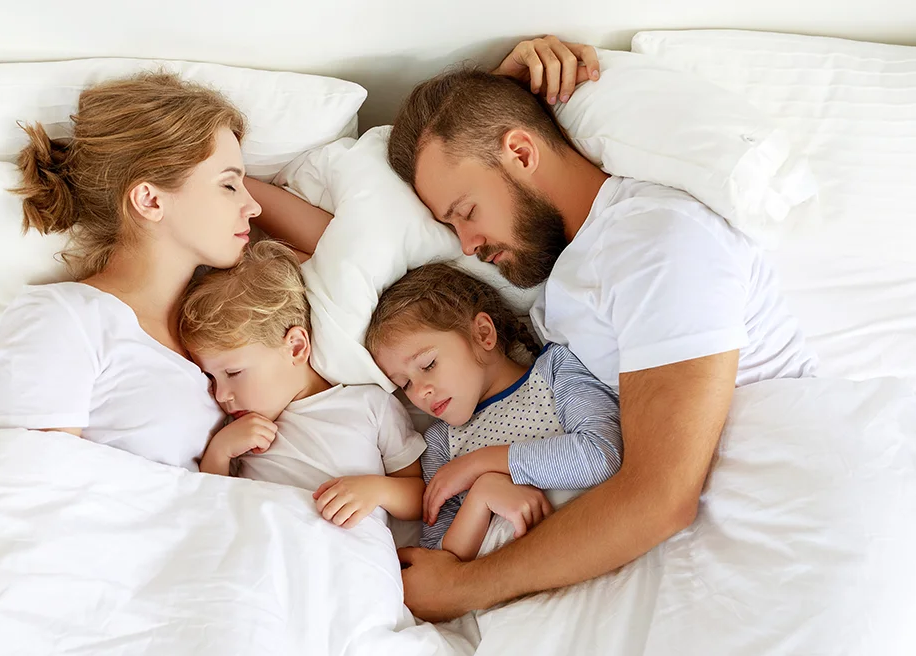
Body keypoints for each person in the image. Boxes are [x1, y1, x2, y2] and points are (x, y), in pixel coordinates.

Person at [386, 36, 818, 619]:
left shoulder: (656, 243)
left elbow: (660, 499)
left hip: (784, 521)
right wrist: (490, 91)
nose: (468, 244)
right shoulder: (574, 264)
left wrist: (463, 587)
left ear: (520, 152)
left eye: (465, 213)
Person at [0, 71, 331, 469]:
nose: (253, 207)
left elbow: (333, 247)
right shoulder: (63, 317)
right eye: (229, 186)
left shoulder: (223, 315)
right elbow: (29, 493)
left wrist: (224, 172)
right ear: (149, 200)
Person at [365, 262, 622, 562]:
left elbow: (603, 455)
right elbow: (437, 561)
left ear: (483, 334)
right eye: (405, 383)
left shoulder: (555, 371)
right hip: (510, 583)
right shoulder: (440, 444)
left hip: (596, 544)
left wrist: (478, 465)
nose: (420, 391)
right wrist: (481, 496)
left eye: (428, 365)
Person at [177, 240, 427, 528]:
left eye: (233, 373)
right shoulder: (236, 436)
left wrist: (377, 490)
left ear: (295, 347)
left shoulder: (369, 404)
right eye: (210, 377)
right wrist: (219, 453)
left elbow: (420, 497)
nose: (221, 395)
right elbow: (214, 509)